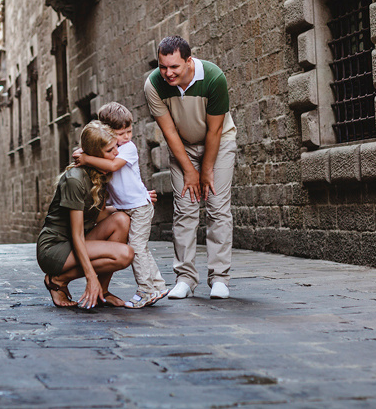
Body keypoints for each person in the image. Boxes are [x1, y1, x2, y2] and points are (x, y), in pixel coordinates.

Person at [144, 36, 237, 299]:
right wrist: (189, 170)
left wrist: (205, 171)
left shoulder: (214, 78)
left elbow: (215, 130)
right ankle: (185, 278)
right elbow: (169, 132)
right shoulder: (154, 85)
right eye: (163, 67)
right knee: (184, 209)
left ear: (188, 60)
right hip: (182, 147)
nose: (168, 73)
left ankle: (220, 278)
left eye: (174, 67)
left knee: (217, 206)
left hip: (218, 144)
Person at [75, 102, 169, 309]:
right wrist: (86, 153)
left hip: (139, 208)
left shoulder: (128, 148)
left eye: (129, 131)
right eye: (121, 133)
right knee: (141, 247)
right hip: (129, 207)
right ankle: (158, 285)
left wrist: (86, 158)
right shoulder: (108, 148)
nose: (126, 136)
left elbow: (112, 165)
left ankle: (146, 290)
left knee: (136, 248)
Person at [38, 121, 135, 309]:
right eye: (109, 150)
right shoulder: (75, 179)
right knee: (125, 255)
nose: (116, 153)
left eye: (115, 146)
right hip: (55, 247)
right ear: (94, 154)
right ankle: (57, 280)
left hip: (77, 242)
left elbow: (98, 217)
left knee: (122, 220)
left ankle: (103, 293)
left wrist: (135, 203)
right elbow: (77, 234)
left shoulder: (99, 174)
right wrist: (91, 277)